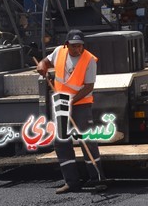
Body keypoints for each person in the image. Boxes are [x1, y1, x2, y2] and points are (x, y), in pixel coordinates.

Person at [36, 29, 107, 194]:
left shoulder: (89, 60)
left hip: (81, 104)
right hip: (62, 103)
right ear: (67, 45)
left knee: (87, 140)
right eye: (74, 46)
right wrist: (42, 64)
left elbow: (89, 86)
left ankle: (98, 179)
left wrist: (71, 102)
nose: (77, 49)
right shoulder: (58, 52)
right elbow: (45, 61)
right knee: (61, 142)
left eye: (80, 46)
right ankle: (71, 182)